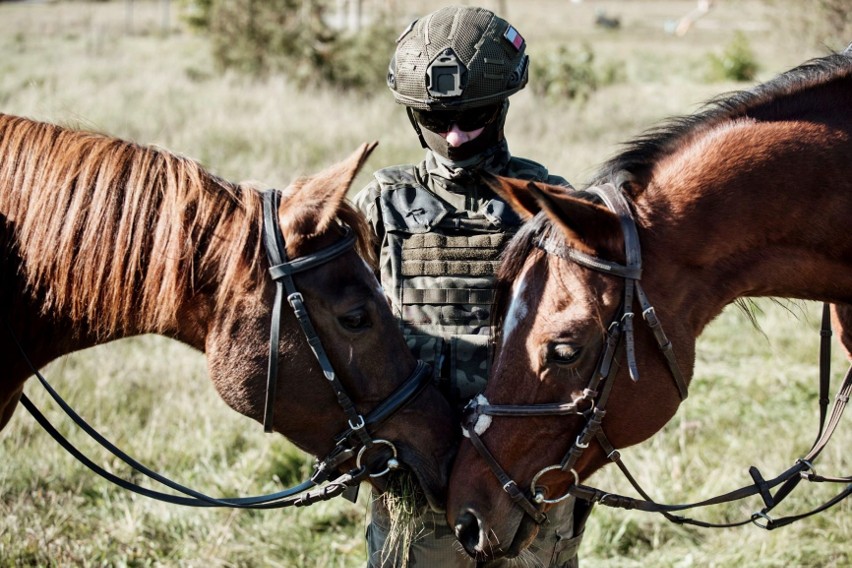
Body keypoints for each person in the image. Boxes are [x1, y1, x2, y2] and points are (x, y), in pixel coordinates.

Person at [354, 6, 589, 567]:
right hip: (418, 473)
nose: (455, 136)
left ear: (504, 105)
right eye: (437, 121)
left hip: (525, 477)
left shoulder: (549, 202)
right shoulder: (381, 205)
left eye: (474, 115)